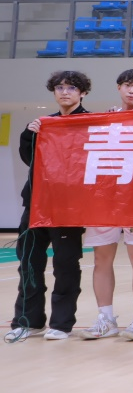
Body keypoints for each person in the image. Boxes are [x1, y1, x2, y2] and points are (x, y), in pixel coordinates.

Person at [7, 71, 90, 342]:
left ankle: (62, 323)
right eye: (59, 87)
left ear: (82, 93)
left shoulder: (91, 124)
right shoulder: (43, 124)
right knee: (29, 263)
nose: (65, 92)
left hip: (68, 207)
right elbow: (29, 159)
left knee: (65, 265)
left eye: (71, 87)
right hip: (35, 204)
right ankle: (28, 321)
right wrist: (29, 134)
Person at [79, 70, 133, 342]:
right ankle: (106, 318)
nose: (131, 91)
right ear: (118, 88)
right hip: (105, 199)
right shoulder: (105, 121)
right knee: (101, 258)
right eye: (126, 85)